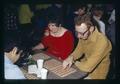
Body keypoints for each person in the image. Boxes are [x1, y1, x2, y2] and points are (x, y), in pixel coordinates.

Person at [63, 14, 112, 79]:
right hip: (82, 69)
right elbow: (79, 50)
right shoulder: (83, 35)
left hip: (95, 76)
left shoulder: (103, 42)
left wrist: (73, 61)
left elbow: (87, 67)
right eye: (77, 32)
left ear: (91, 29)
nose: (78, 36)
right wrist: (71, 57)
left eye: (81, 33)